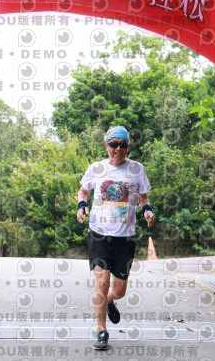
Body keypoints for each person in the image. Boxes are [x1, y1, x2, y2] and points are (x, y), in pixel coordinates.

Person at [76, 126, 155, 350]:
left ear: (128, 146)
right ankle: (102, 331)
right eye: (113, 144)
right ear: (106, 145)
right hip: (99, 234)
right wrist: (82, 205)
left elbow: (143, 198)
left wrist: (147, 210)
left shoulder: (137, 169)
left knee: (119, 290)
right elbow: (83, 191)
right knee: (102, 283)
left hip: (125, 237)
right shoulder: (96, 168)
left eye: (123, 145)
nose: (118, 149)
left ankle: (109, 301)